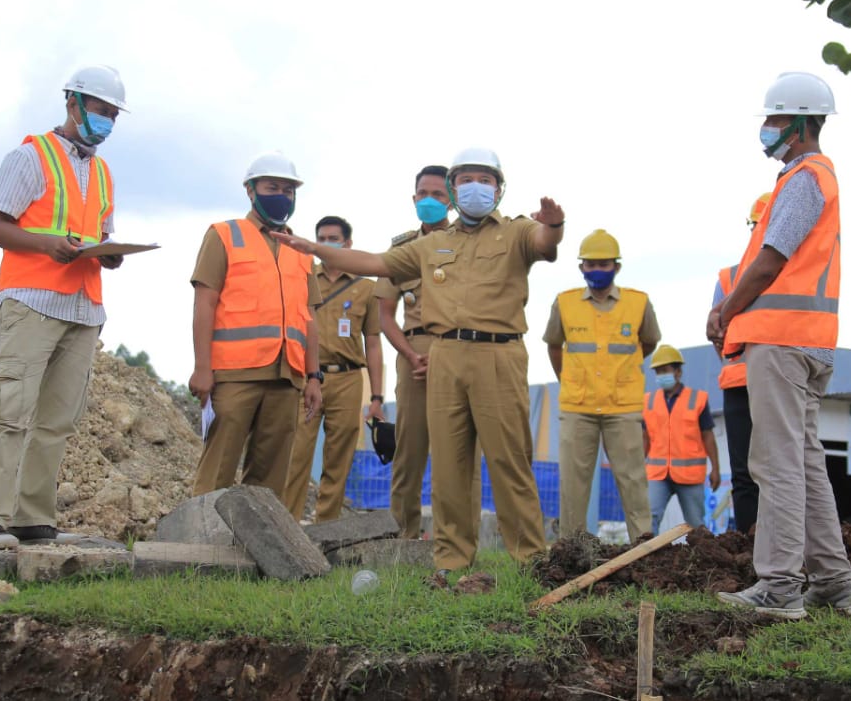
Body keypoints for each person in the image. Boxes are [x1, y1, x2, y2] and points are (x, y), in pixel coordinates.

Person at [270, 147, 564, 570]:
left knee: (507, 459)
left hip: (498, 354)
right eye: (466, 180)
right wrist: (312, 248)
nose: (475, 187)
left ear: (499, 189)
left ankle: (531, 560)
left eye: (485, 180)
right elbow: (373, 262)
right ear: (452, 188)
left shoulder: (516, 232)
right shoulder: (430, 245)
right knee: (448, 464)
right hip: (443, 353)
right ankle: (452, 560)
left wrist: (554, 225)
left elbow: (544, 242)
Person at [709, 71, 851, 619]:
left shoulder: (804, 179)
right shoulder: (817, 178)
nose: (768, 130)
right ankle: (834, 584)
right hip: (810, 342)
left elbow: (770, 260)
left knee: (775, 464)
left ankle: (778, 587)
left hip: (782, 342)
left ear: (799, 125)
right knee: (804, 464)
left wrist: (728, 312)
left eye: (775, 120)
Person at [0, 65, 129, 550]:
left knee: (56, 421)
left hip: (83, 310)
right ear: (73, 103)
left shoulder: (101, 172)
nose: (107, 122)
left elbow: (100, 233)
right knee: (8, 412)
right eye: (102, 110)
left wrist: (111, 251)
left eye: (114, 115)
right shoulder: (30, 156)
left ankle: (32, 518)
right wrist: (46, 244)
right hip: (32, 302)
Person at [188, 152, 323, 498]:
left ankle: (251, 550)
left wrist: (313, 377)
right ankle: (199, 548)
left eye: (288, 190)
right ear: (251, 190)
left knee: (269, 481)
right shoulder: (224, 235)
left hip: (286, 377)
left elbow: (310, 318)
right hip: (234, 374)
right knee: (217, 470)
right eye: (272, 187)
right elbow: (205, 302)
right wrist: (202, 368)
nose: (281, 196)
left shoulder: (301, 249)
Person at [375, 165, 479, 539]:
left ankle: (458, 538)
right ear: (414, 198)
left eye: (439, 194)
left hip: (461, 349)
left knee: (460, 451)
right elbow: (385, 316)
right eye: (424, 194)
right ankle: (403, 537)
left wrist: (445, 352)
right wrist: (412, 354)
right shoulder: (401, 249)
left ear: (451, 199)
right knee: (410, 447)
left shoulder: (469, 243)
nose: (431, 201)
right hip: (413, 352)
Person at [544, 229, 659, 542]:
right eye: (591, 264)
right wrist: (568, 378)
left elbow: (648, 342)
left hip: (622, 406)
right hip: (577, 407)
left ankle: (643, 546)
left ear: (616, 267)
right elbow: (555, 345)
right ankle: (571, 549)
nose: (597, 270)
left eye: (604, 264)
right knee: (573, 483)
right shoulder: (565, 304)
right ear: (581, 267)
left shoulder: (638, 303)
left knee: (633, 480)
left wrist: (624, 370)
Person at [283, 216, 384, 522]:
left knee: (339, 457)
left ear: (347, 244)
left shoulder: (366, 287)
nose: (326, 244)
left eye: (333, 239)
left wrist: (377, 396)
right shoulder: (303, 276)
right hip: (305, 377)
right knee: (296, 453)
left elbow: (375, 342)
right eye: (321, 238)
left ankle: (325, 528)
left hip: (348, 377)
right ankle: (287, 523)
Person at [714, 193, 769, 533]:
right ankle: (751, 546)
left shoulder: (795, 276)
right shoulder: (728, 278)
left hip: (778, 381)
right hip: (739, 384)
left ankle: (785, 549)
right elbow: (718, 334)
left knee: (780, 471)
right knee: (744, 473)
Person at [642, 345, 721, 533]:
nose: (661, 375)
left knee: (695, 524)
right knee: (648, 520)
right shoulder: (649, 401)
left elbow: (707, 436)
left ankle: (702, 560)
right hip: (657, 474)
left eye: (665, 370)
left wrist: (715, 469)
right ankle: (644, 559)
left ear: (678, 372)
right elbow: (645, 438)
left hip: (689, 476)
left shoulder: (697, 399)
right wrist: (638, 469)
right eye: (658, 371)